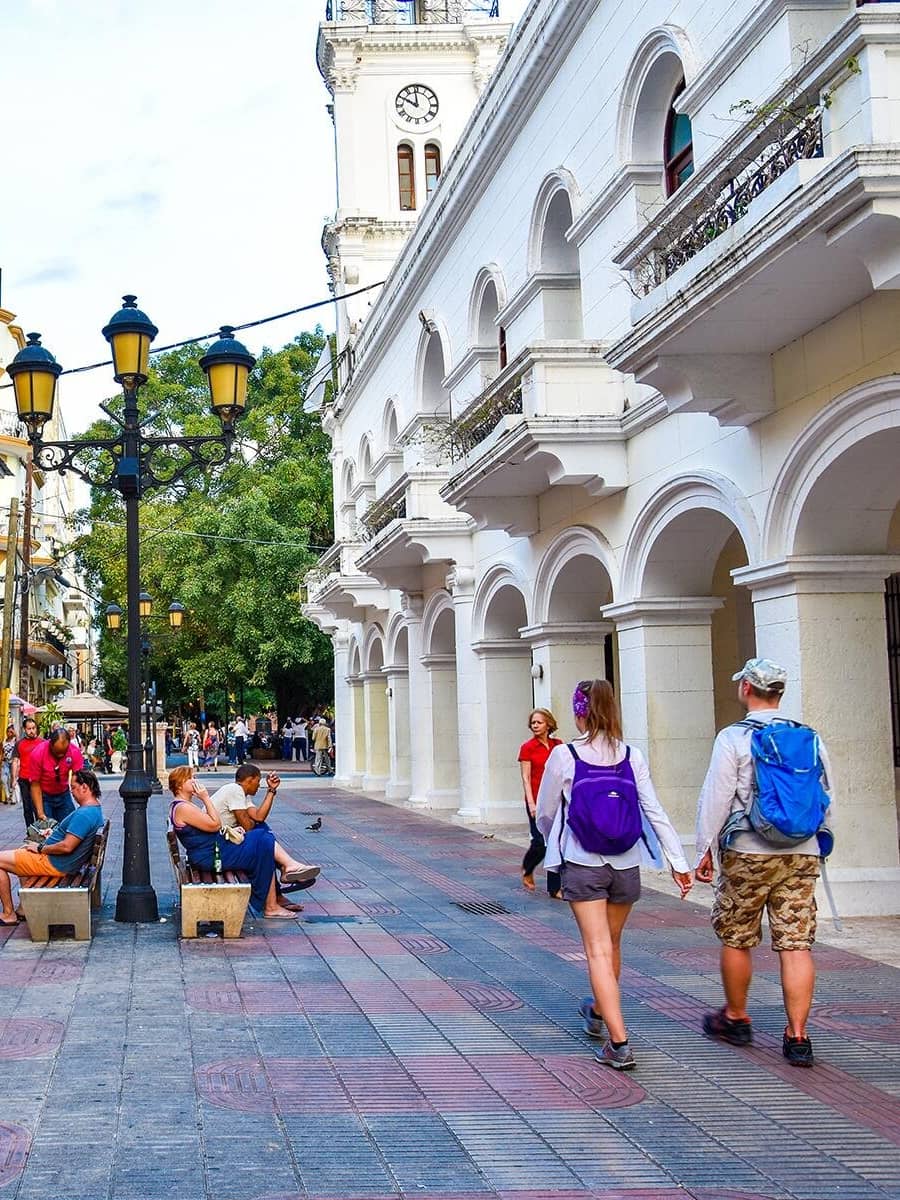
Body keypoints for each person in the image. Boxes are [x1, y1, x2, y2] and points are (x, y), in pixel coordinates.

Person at [537, 679, 692, 1071]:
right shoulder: (630, 755)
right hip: (626, 863)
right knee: (613, 944)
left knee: (597, 950)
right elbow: (653, 810)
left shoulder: (566, 756)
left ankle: (619, 1042)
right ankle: (600, 1011)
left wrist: (551, 840)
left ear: (579, 712)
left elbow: (546, 812)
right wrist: (678, 862)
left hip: (584, 862)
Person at [694, 658, 833, 1069]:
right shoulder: (809, 737)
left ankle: (736, 1017)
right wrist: (820, 841)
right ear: (780, 692)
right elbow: (827, 794)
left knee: (737, 935)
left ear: (747, 690)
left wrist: (704, 848)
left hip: (748, 850)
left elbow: (717, 796)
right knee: (796, 943)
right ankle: (798, 1037)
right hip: (800, 850)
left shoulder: (734, 737)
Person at [167, 766, 294, 919]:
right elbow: (215, 824)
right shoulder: (183, 808)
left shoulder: (183, 805)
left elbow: (213, 827)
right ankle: (272, 903)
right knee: (263, 840)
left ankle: (280, 886)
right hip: (209, 857)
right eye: (190, 779)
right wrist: (206, 798)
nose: (195, 781)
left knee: (262, 837)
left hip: (211, 851)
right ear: (180, 785)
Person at [0, 769, 104, 926]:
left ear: (85, 787)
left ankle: (9, 914)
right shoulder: (93, 810)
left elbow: (67, 847)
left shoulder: (85, 814)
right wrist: (51, 836)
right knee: (23, 850)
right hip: (59, 862)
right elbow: (70, 839)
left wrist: (41, 848)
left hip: (53, 863)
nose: (72, 793)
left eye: (73, 788)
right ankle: (23, 908)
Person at [211, 765, 320, 911]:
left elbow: (259, 816)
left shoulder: (243, 794)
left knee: (262, 830)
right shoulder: (234, 790)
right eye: (258, 781)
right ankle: (285, 872)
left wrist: (271, 790)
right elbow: (249, 826)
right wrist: (250, 823)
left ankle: (286, 872)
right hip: (218, 848)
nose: (259, 785)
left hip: (225, 842)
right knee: (262, 835)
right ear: (249, 780)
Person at [519, 708, 563, 896]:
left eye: (539, 722)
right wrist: (531, 803)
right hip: (536, 800)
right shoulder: (528, 747)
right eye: (533, 723)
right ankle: (527, 869)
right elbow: (526, 778)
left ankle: (555, 888)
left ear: (549, 724)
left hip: (556, 800)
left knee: (556, 843)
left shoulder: (558, 745)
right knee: (539, 842)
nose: (535, 726)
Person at [30, 728, 85, 825]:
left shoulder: (74, 751)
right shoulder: (38, 753)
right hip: (44, 796)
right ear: (50, 743)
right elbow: (35, 784)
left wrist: (83, 805)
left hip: (64, 794)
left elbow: (78, 779)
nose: (60, 755)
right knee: (48, 831)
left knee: (70, 825)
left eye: (64, 752)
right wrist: (40, 813)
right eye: (57, 752)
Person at [12, 717, 46, 830]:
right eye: (29, 729)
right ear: (24, 729)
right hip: (24, 779)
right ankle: (30, 831)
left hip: (39, 779)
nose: (32, 731)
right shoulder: (19, 744)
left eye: (33, 728)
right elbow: (15, 761)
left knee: (39, 806)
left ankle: (41, 830)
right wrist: (13, 779)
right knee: (27, 807)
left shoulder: (43, 743)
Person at [1, 725, 17, 804]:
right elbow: (2, 752)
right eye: (8, 731)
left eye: (11, 732)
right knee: (4, 779)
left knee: (13, 780)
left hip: (13, 762)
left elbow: (19, 742)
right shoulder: (4, 741)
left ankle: (13, 798)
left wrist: (15, 733)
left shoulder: (15, 740)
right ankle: (7, 796)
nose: (9, 733)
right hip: (5, 762)